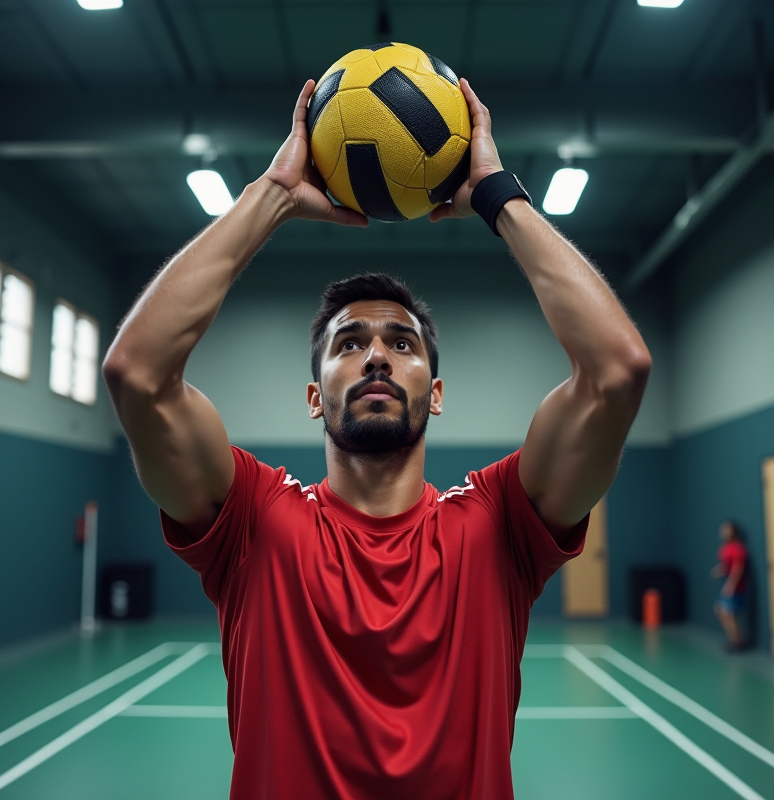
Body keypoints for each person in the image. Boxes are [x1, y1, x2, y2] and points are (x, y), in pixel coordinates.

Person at [102, 76, 651, 800]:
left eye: (402, 342)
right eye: (348, 343)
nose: (377, 355)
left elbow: (619, 370)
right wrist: (272, 195)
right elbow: (136, 373)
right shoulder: (255, 524)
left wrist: (496, 193)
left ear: (438, 392)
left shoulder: (497, 527)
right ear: (312, 396)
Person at [711, 520, 748, 652]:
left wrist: (731, 585)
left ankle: (738, 642)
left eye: (726, 529)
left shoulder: (738, 548)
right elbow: (726, 566)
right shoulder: (724, 548)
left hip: (735, 587)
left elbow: (737, 568)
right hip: (726, 584)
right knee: (719, 610)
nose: (723, 532)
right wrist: (719, 570)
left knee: (728, 612)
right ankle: (734, 639)